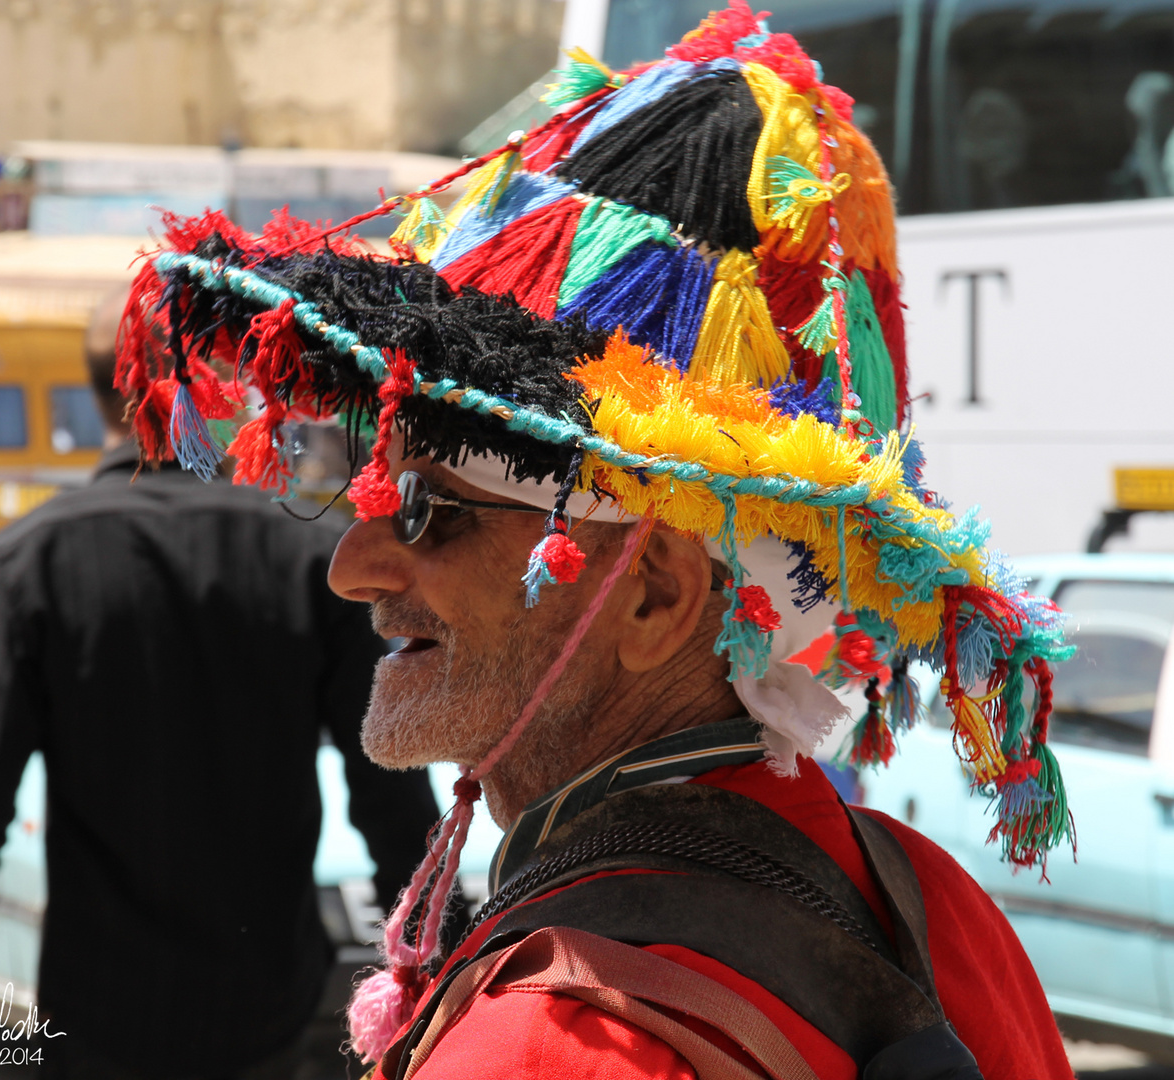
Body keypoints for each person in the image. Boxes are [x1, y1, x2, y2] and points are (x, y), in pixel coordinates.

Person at [117, 6, 1077, 1076]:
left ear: (656, 597)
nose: (353, 567)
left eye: (430, 509)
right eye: (365, 492)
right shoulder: (941, 914)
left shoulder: (554, 1039)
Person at [0, 288, 443, 1079]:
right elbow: (390, 793)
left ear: (96, 389)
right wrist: (433, 966)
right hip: (271, 1014)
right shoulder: (314, 561)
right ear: (214, 390)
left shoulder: (28, 563)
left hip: (97, 1020)